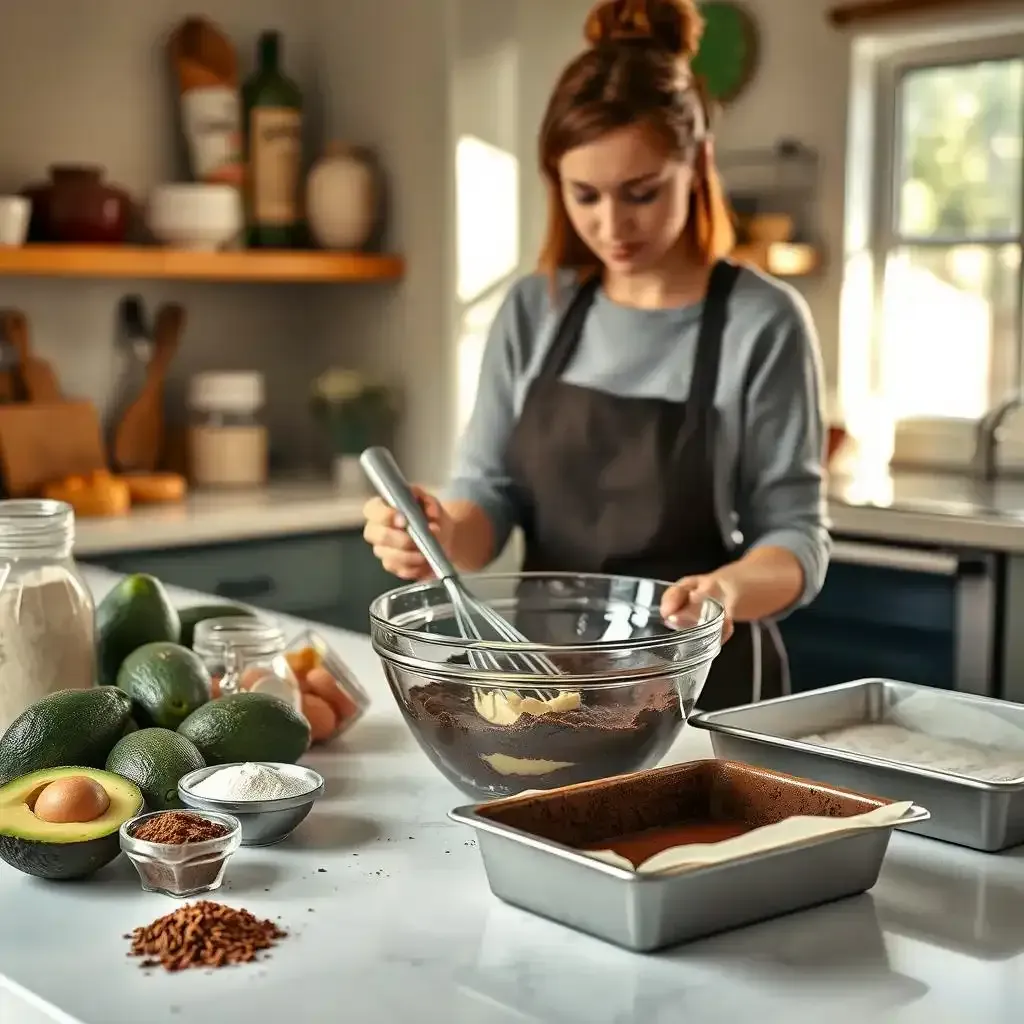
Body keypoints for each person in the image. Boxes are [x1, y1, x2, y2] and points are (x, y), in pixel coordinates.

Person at [362, 0, 831, 710]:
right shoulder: (536, 309)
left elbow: (796, 536)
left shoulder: (761, 321)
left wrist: (728, 590)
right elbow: (488, 496)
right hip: (546, 684)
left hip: (705, 685)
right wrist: (438, 532)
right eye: (585, 195)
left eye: (641, 193)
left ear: (697, 164)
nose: (612, 225)